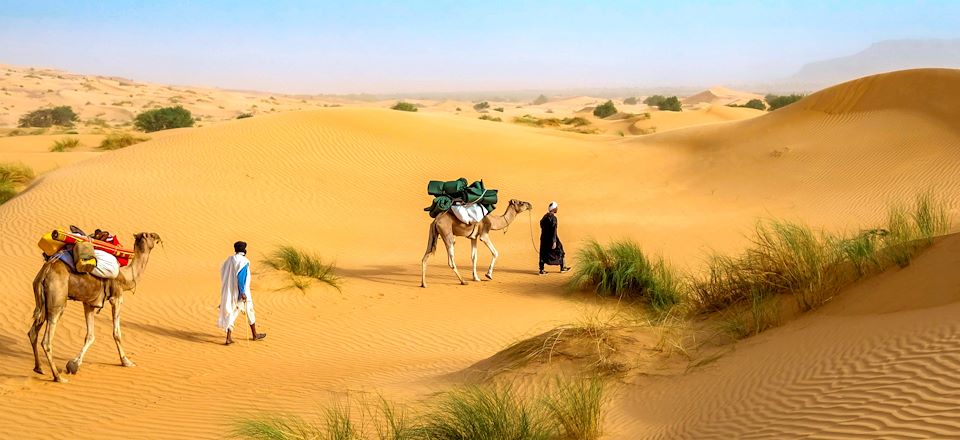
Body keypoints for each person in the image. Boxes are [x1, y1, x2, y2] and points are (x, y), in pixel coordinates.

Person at [218, 241, 266, 345]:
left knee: (247, 311)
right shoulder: (243, 261)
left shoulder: (229, 260)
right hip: (241, 292)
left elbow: (223, 273)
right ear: (244, 250)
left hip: (230, 291)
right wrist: (242, 292)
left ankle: (254, 334)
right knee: (238, 312)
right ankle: (229, 338)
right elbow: (241, 278)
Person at [539, 201, 571, 274]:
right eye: (556, 208)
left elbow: (541, 224)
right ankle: (563, 267)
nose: (557, 209)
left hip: (544, 238)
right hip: (551, 239)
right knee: (560, 250)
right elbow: (554, 230)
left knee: (543, 253)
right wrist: (554, 241)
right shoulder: (553, 218)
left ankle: (541, 270)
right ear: (553, 209)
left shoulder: (545, 217)